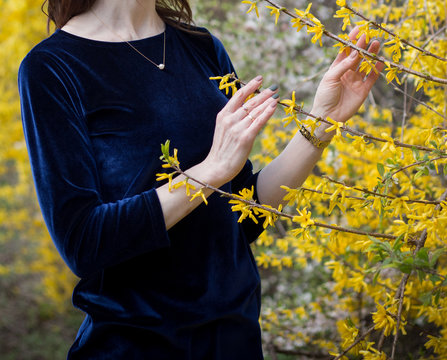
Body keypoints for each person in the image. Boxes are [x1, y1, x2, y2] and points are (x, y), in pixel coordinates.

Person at [18, 0, 383, 358]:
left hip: (235, 340)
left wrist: (321, 122)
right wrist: (209, 171)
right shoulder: (52, 67)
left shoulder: (202, 47)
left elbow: (243, 217)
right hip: (134, 347)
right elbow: (84, 243)